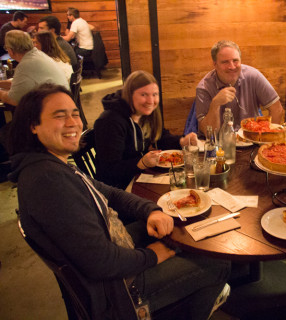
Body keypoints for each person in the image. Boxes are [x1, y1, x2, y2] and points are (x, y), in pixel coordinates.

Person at [8, 83, 231, 320]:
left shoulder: (50, 164)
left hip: (113, 245)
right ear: (33, 125)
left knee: (180, 229)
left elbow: (109, 192)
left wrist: (150, 210)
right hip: (117, 293)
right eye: (59, 116)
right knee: (218, 264)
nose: (73, 122)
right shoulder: (47, 183)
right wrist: (153, 255)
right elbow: (102, 263)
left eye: (75, 113)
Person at [95, 70, 198, 189]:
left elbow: (160, 137)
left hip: (138, 176)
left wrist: (181, 141)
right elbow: (109, 170)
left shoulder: (144, 113)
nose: (151, 101)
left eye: (155, 94)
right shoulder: (110, 122)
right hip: (116, 188)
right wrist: (141, 163)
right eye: (143, 95)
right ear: (129, 94)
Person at [195, 40, 284, 134]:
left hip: (251, 141)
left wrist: (266, 139)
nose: (232, 66)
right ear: (215, 64)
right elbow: (209, 132)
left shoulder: (253, 76)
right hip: (221, 145)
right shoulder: (203, 87)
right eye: (225, 62)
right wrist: (215, 104)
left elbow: (277, 109)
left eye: (235, 60)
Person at [0, 30, 69, 106]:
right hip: (62, 101)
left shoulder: (27, 64)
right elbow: (18, 85)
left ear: (10, 50)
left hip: (54, 108)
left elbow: (14, 100)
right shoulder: (37, 55)